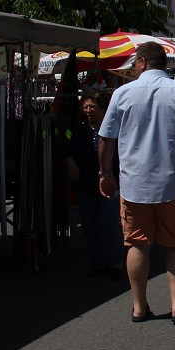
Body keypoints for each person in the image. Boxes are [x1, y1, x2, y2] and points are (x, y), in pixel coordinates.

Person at [98, 41, 175, 325]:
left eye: (134, 63)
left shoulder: (122, 93)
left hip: (134, 183)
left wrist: (105, 174)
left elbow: (106, 138)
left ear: (142, 62)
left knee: (137, 245)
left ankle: (139, 306)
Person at [66, 88, 124, 280]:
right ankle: (99, 263)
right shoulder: (79, 130)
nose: (88, 110)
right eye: (85, 107)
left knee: (106, 222)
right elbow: (68, 149)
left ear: (102, 108)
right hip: (86, 186)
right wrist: (69, 160)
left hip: (109, 184)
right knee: (90, 225)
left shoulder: (114, 130)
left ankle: (116, 262)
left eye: (92, 106)